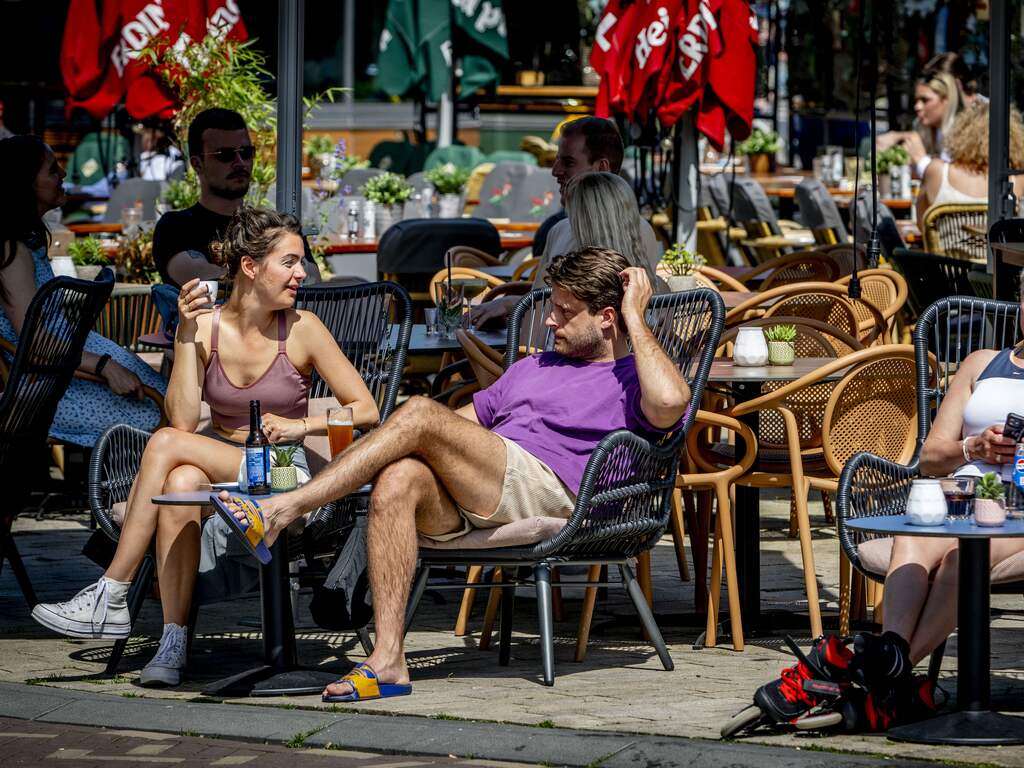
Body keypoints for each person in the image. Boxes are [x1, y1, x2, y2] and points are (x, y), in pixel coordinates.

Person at [219, 246, 690, 702]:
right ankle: (388, 659)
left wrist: (635, 317)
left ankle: (284, 509)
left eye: (565, 312)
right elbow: (451, 428)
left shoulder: (633, 377)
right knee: (400, 476)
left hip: (556, 490)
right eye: (553, 307)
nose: (550, 321)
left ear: (606, 318)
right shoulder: (533, 367)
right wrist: (393, 447)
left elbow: (671, 402)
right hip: (490, 485)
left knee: (420, 411)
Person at [31, 207, 378, 688]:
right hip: (219, 463)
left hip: (282, 469)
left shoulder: (303, 328)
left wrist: (300, 426)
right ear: (250, 267)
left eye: (301, 262)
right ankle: (173, 643)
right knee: (180, 479)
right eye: (290, 262)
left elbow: (366, 409)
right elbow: (181, 419)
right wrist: (185, 334)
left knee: (168, 446)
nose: (302, 273)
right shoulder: (206, 327)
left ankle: (112, 590)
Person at [859, 269, 1024, 683]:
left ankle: (889, 678)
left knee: (959, 558)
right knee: (913, 536)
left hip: (1018, 509)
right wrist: (975, 447)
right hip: (961, 497)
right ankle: (893, 657)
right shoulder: (982, 363)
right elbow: (930, 458)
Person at [0, 135, 166, 448]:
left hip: (66, 371)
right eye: (53, 170)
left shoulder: (25, 242)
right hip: (48, 384)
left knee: (172, 406)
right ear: (25, 184)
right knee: (164, 419)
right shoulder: (12, 251)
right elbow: (34, 341)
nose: (63, 174)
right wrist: (105, 366)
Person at [471, 167, 664, 327]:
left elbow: (539, 321)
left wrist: (510, 307)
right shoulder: (648, 285)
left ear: (584, 218)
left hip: (559, 359)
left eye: (573, 215)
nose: (569, 222)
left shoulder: (581, 274)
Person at [151, 108, 320, 289]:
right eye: (226, 155)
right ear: (197, 164)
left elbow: (312, 278)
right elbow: (203, 278)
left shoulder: (276, 225)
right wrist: (279, 272)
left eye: (246, 152)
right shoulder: (175, 227)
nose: (240, 162)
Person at [915, 102, 1024, 231]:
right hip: (998, 245)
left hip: (946, 245)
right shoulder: (1016, 178)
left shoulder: (937, 171)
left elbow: (922, 225)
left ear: (960, 134)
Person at [877, 70, 964, 180]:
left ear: (946, 99)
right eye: (916, 100)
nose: (917, 107)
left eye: (925, 100)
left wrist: (920, 159)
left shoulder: (961, 134)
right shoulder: (928, 129)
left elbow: (950, 181)